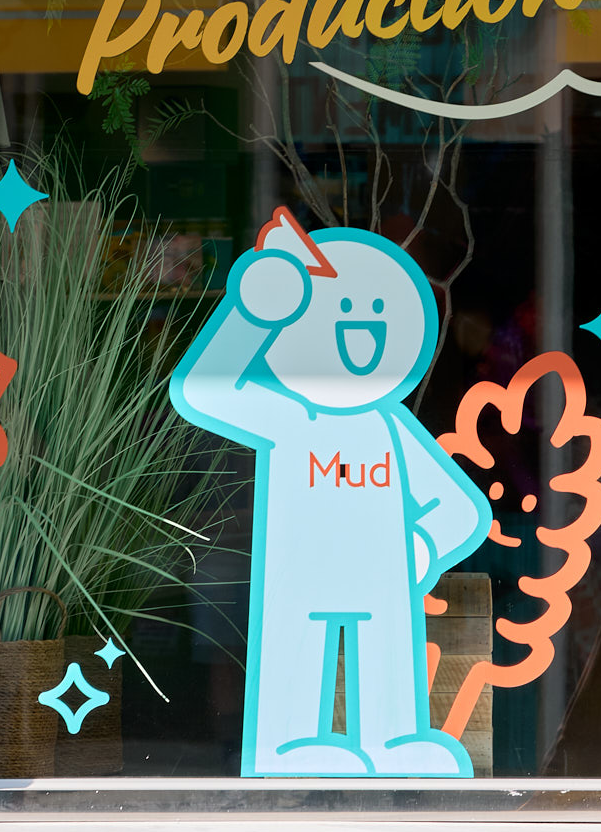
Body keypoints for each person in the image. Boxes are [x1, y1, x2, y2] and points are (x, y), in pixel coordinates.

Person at [171, 207, 492, 777]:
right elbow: (204, 387)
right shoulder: (290, 417)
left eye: (378, 309)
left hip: (382, 581)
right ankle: (289, 743)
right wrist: (253, 314)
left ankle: (395, 740)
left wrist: (420, 548)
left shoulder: (388, 428)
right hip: (299, 575)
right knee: (294, 650)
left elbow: (460, 510)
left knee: (389, 654)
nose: (360, 322)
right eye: (341, 309)